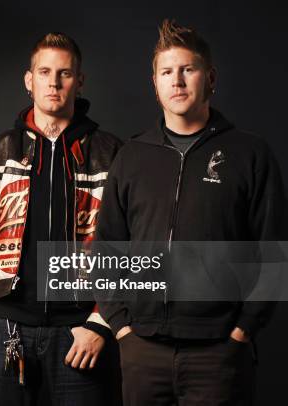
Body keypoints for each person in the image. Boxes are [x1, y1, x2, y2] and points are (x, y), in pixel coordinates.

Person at [95, 19, 287, 405]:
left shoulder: (250, 154)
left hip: (219, 353)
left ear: (210, 78)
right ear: (155, 83)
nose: (177, 81)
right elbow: (106, 246)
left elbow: (273, 254)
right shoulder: (131, 156)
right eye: (167, 72)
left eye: (188, 69)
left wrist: (242, 330)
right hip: (142, 350)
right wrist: (121, 328)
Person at [0, 32, 123, 404]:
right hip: (6, 329)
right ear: (29, 80)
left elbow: (126, 249)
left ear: (79, 82)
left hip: (79, 332)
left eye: (64, 73)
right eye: (44, 71)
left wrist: (100, 323)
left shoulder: (112, 155)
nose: (53, 81)